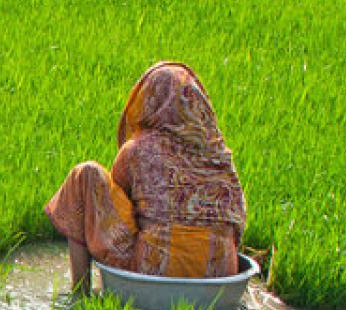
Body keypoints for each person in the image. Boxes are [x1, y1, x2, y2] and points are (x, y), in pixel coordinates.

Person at [45, 61, 246, 292]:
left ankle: (80, 291)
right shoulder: (219, 154)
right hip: (220, 275)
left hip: (155, 273)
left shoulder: (138, 149)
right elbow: (238, 221)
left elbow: (119, 203)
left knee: (85, 176)